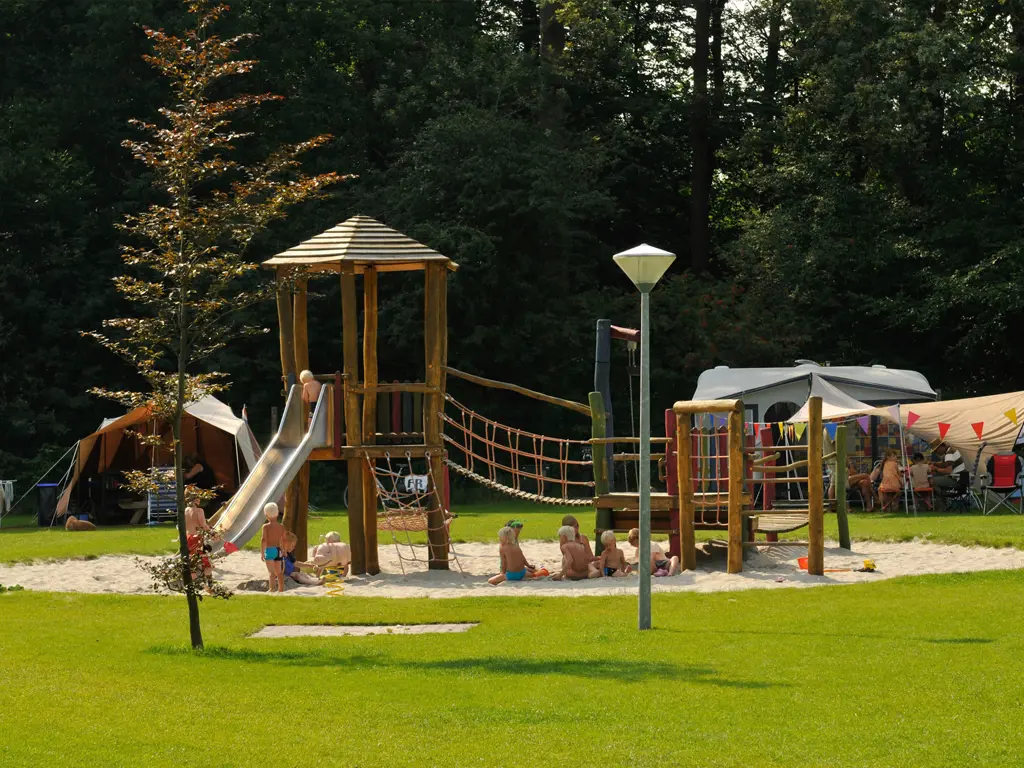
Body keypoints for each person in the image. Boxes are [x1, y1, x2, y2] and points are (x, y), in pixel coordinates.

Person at [184, 495, 215, 581]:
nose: (199, 502)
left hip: (188, 537)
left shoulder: (185, 510)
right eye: (198, 500)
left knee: (192, 562)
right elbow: (203, 525)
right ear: (194, 501)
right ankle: (209, 583)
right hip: (196, 537)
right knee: (206, 562)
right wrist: (212, 533)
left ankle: (194, 584)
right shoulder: (199, 510)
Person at [930, 442, 968, 510]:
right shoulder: (951, 450)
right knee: (938, 478)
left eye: (936, 450)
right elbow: (945, 464)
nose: (936, 453)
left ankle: (945, 501)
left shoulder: (949, 454)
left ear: (941, 447)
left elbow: (948, 471)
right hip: (963, 478)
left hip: (958, 480)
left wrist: (936, 469)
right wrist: (935, 464)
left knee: (931, 481)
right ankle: (945, 500)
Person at [561, 514, 601, 578]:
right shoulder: (564, 540)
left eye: (577, 526)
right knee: (569, 573)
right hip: (571, 564)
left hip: (584, 563)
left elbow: (590, 556)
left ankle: (590, 573)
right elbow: (568, 558)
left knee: (595, 563)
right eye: (573, 527)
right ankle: (588, 574)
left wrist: (598, 558)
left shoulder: (583, 538)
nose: (576, 529)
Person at [260, 502, 287, 593]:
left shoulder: (266, 527)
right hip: (278, 550)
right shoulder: (281, 526)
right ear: (278, 513)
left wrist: (262, 552)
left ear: (266, 515)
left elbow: (264, 540)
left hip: (270, 550)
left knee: (271, 573)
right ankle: (281, 589)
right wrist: (284, 550)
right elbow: (283, 540)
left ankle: (272, 589)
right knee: (279, 572)